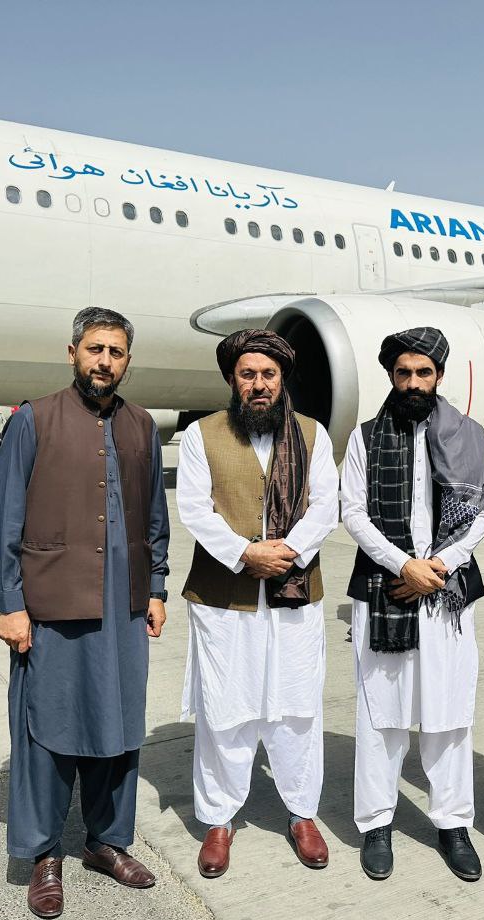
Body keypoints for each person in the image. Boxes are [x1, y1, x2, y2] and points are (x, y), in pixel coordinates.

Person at [0, 306, 171, 919]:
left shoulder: (142, 426)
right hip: (53, 603)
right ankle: (44, 854)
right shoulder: (33, 420)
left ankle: (106, 842)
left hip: (123, 605)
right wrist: (10, 604)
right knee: (48, 728)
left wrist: (157, 588)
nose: (104, 361)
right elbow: (3, 519)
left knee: (118, 726)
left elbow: (155, 517)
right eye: (95, 349)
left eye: (116, 352)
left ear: (127, 360)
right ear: (73, 353)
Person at [177, 329, 339, 879]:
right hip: (224, 596)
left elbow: (326, 505)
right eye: (248, 374)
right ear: (232, 380)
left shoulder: (313, 434)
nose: (259, 384)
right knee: (225, 708)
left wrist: (287, 552)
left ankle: (302, 813)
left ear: (282, 379)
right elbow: (195, 509)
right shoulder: (202, 434)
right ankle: (219, 819)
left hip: (295, 593)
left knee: (296, 707)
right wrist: (246, 553)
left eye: (268, 374)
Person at [341, 327, 484, 883]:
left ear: (439, 377)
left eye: (422, 373)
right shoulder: (365, 437)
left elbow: (483, 511)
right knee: (380, 715)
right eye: (403, 372)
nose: (412, 382)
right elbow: (353, 512)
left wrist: (440, 566)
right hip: (386, 587)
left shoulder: (470, 436)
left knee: (449, 715)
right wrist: (403, 565)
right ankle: (377, 824)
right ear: (391, 375)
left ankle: (453, 824)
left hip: (446, 594)